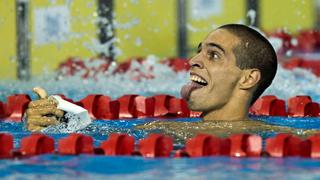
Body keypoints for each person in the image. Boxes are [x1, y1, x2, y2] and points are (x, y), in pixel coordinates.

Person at [25, 24, 316, 140]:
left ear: (249, 78)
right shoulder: (166, 128)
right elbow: (101, 131)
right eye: (198, 50)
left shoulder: (284, 138)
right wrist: (57, 121)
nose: (193, 61)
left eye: (213, 55)